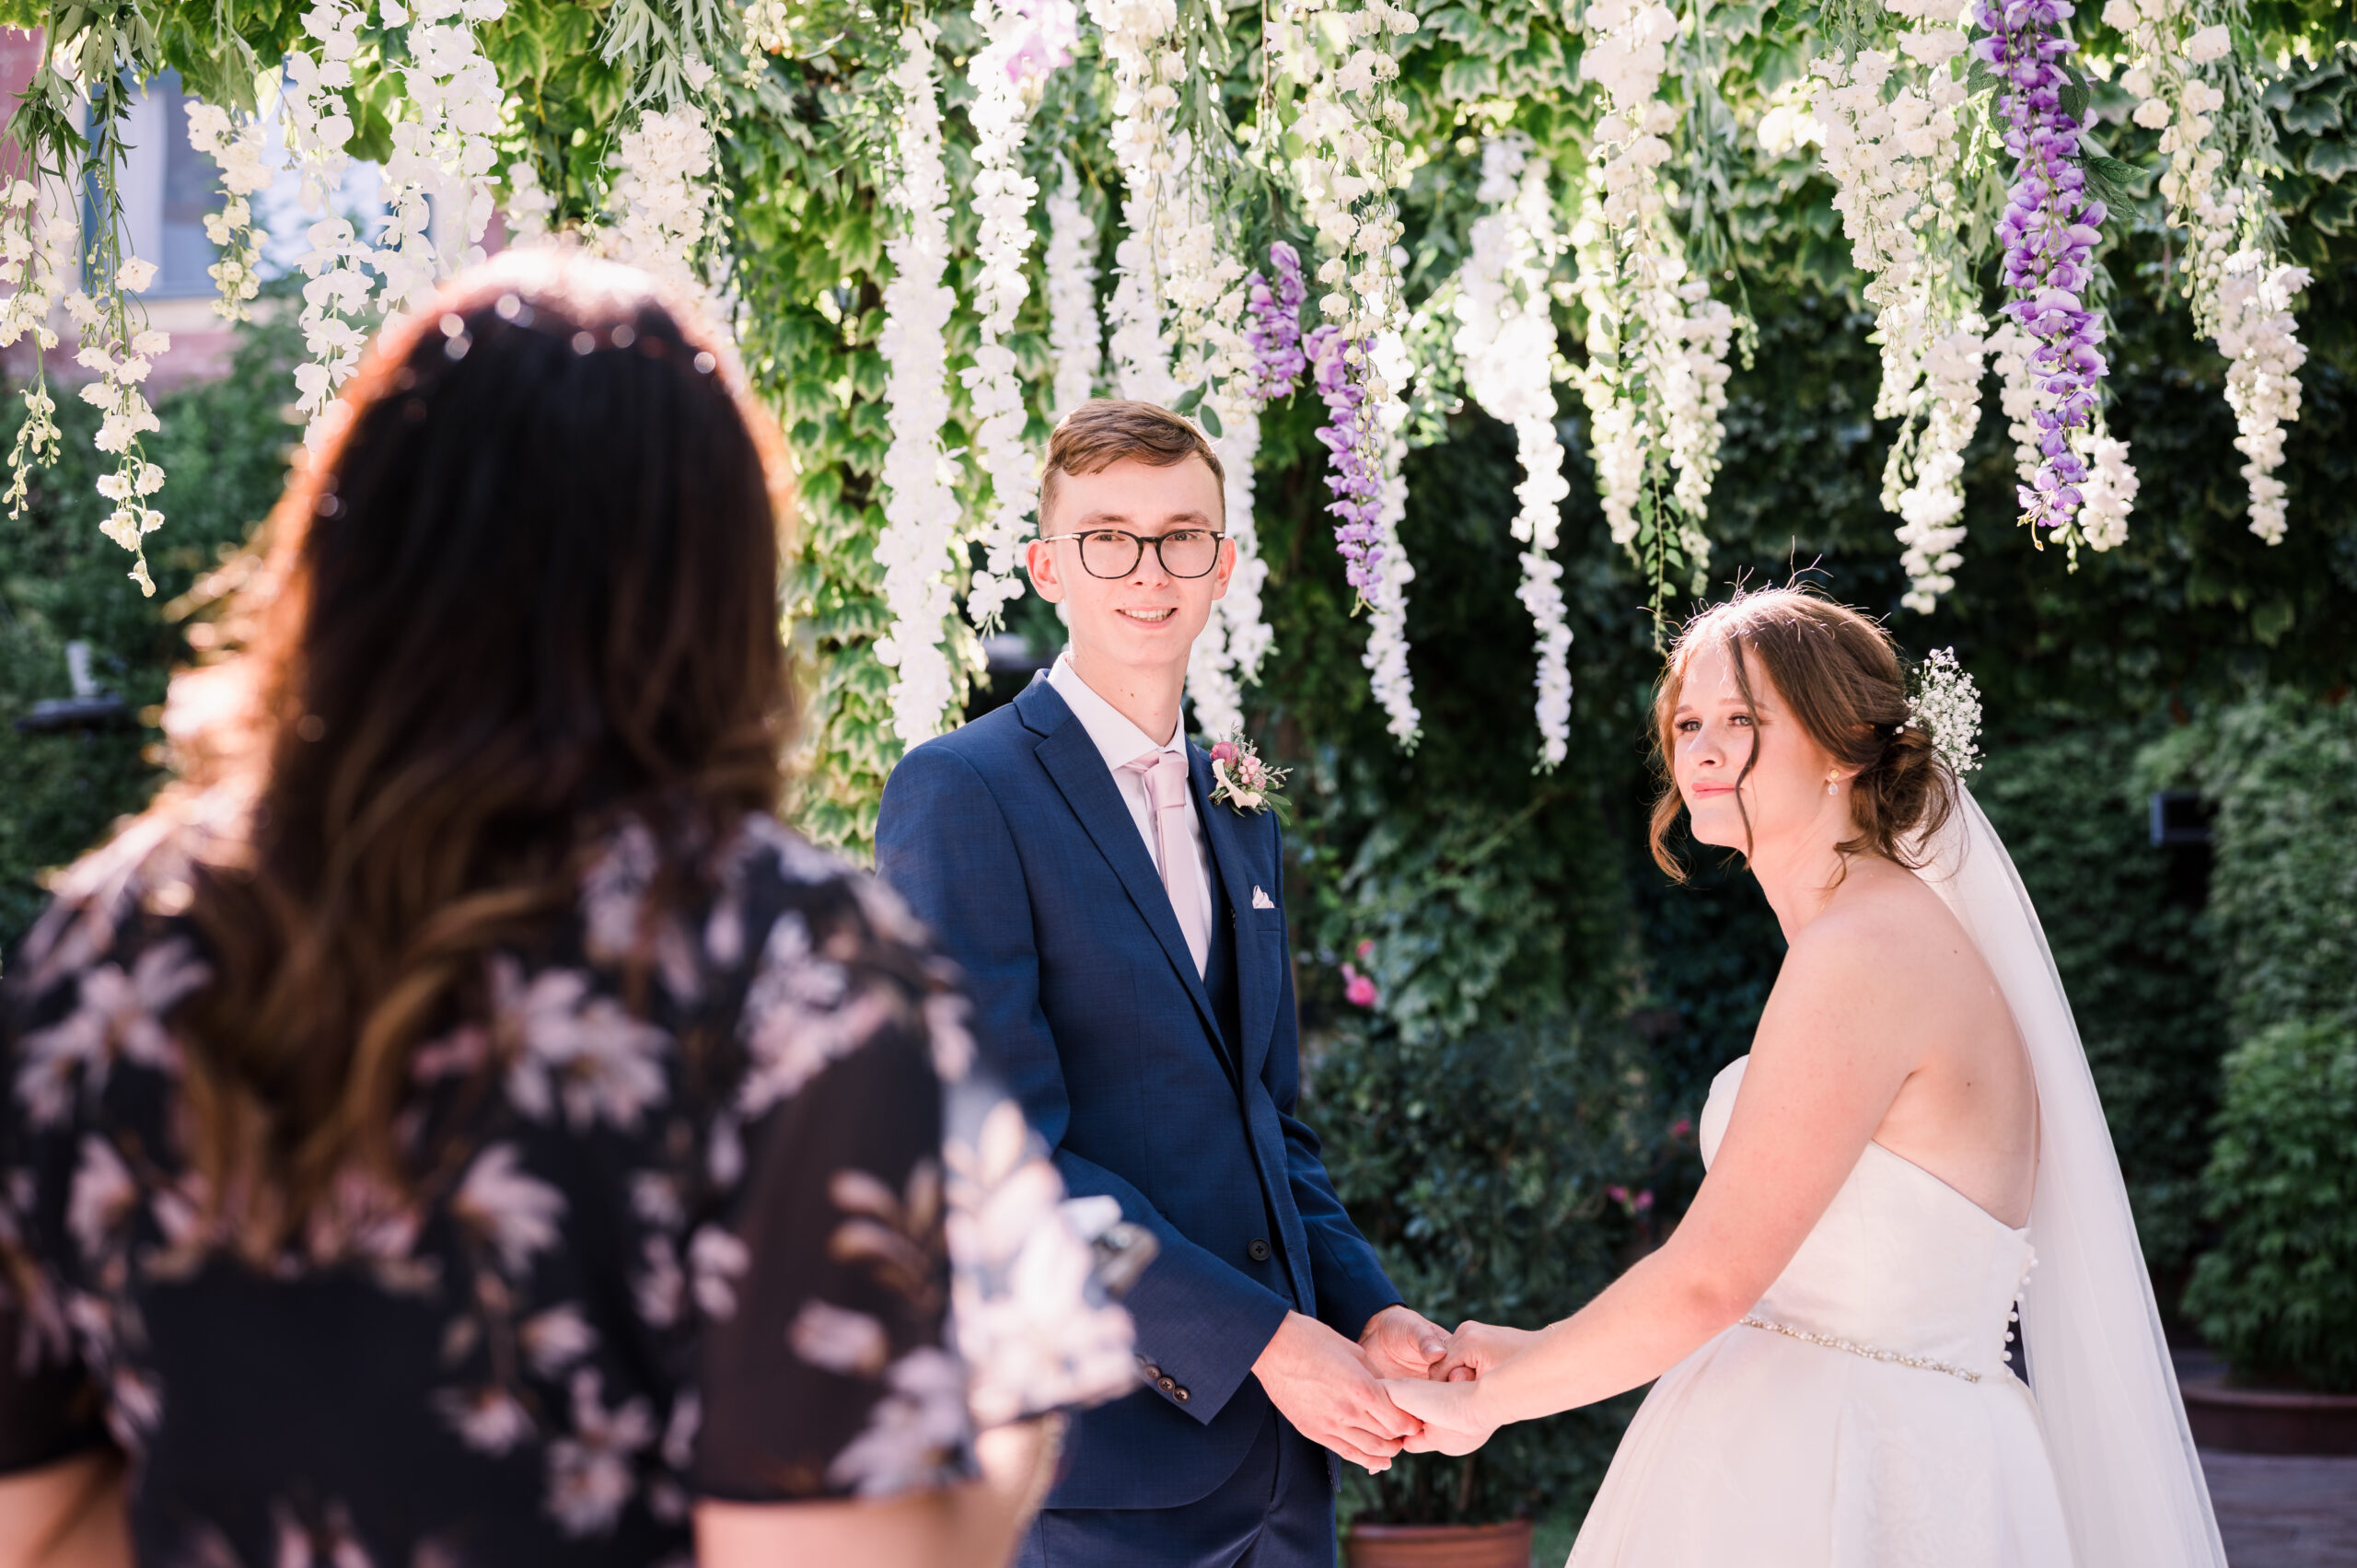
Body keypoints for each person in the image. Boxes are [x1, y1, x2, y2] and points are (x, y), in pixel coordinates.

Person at [0, 251, 1128, 1568]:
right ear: (713, 588)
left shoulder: (112, 942)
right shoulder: (787, 969)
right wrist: (1018, 1389)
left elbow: (41, 1519)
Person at [1384, 587, 2227, 1568]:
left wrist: (1489, 1403)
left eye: (1741, 722)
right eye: (1688, 722)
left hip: (1871, 1476)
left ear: (1842, 747)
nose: (1700, 750)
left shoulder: (1863, 952)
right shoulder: (1863, 934)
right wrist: (1527, 1348)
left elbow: (1709, 1278)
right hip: (1833, 1447)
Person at [875, 400, 1451, 1568]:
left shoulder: (1241, 802)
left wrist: (1367, 1307)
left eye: (1182, 534)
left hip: (1284, 1474)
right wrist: (1266, 1344)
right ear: (1048, 565)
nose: (1149, 568)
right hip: (1092, 1473)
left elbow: (1267, 1121)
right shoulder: (960, 791)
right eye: (1108, 536)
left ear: (1223, 562)